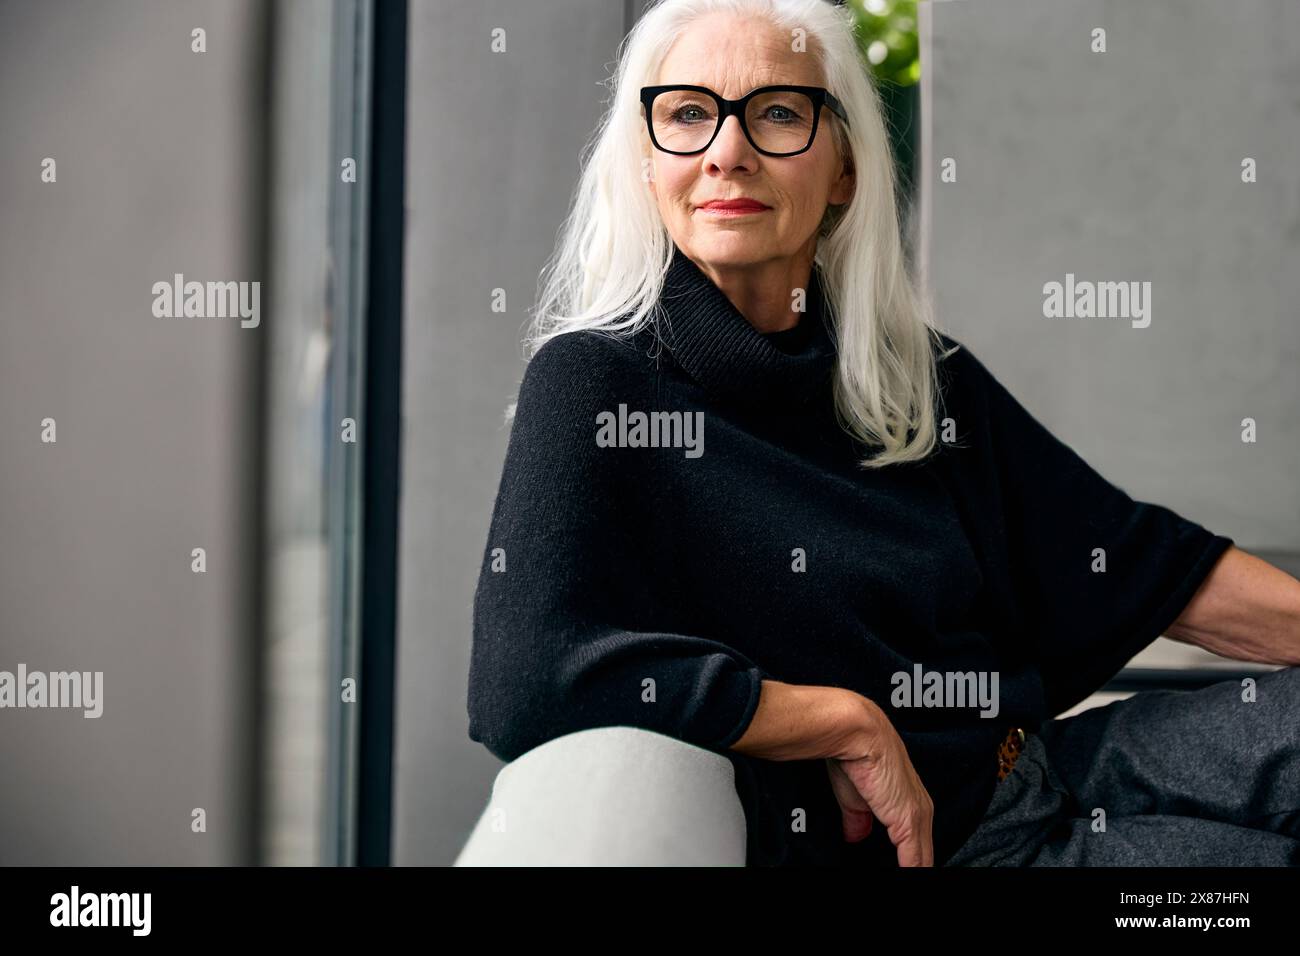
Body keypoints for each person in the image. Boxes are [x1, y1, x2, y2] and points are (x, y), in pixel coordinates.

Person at [466, 0, 1300, 867]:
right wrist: (833, 717)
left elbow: (1140, 566)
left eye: (779, 113)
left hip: (1044, 763)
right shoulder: (595, 379)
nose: (726, 151)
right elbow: (522, 677)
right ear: (645, 163)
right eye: (686, 114)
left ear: (846, 172)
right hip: (948, 850)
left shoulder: (906, 370)